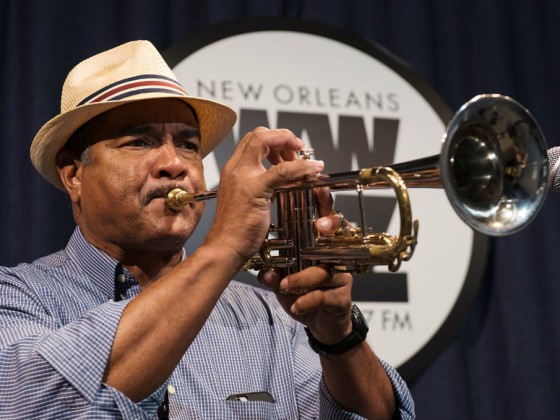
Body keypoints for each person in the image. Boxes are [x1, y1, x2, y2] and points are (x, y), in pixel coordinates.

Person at [0, 40, 415, 419]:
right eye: (139, 142)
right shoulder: (18, 297)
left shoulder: (270, 316)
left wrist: (339, 335)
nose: (175, 163)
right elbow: (38, 404)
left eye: (188, 144)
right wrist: (226, 244)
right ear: (74, 175)